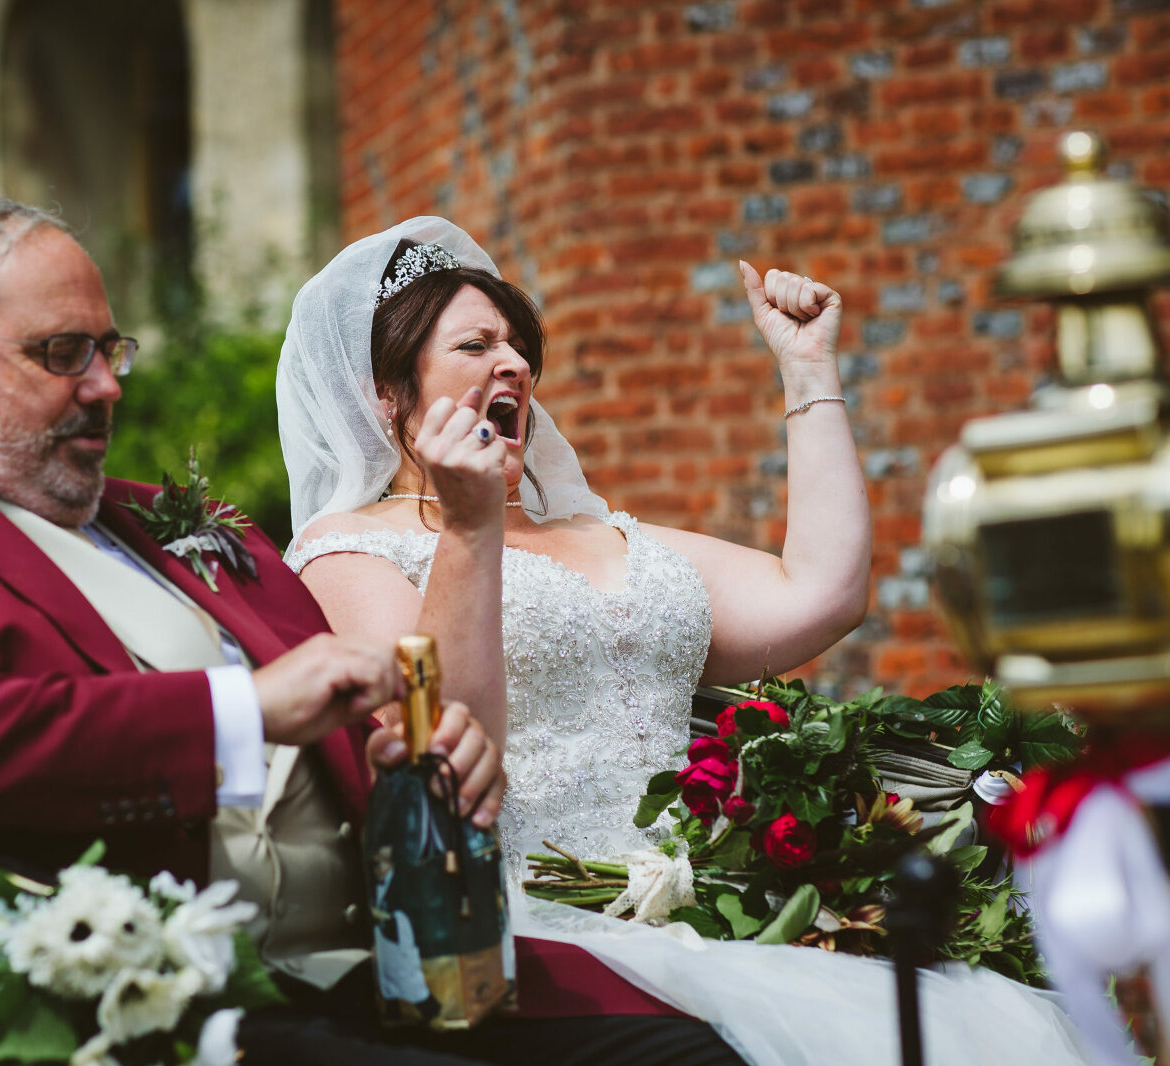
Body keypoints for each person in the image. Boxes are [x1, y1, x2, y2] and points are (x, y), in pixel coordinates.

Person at [0, 197, 744, 1066]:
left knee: (715, 1039)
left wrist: (415, 752)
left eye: (109, 349)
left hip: (395, 960)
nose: (108, 385)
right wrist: (236, 711)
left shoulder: (194, 531)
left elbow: (377, 730)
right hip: (172, 1005)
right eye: (61, 354)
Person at [276, 217, 1089, 1065]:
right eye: (474, 345)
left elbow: (823, 592)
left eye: (517, 345)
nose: (513, 363)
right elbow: (447, 745)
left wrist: (806, 370)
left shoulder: (609, 537)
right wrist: (470, 528)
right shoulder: (350, 554)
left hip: (717, 911)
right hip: (533, 923)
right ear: (387, 395)